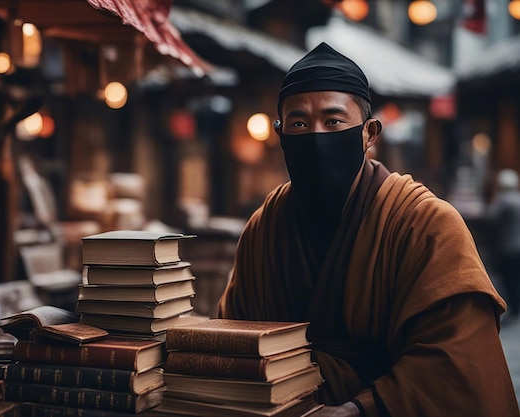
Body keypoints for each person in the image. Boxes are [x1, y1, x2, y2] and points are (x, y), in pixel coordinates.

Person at [217, 42, 519, 417]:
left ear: (368, 133)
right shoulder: (264, 229)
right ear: (280, 133)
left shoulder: (425, 224)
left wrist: (360, 409)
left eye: (333, 122)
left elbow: (457, 362)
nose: (315, 137)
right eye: (298, 124)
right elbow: (234, 339)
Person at [488, 168, 520, 324]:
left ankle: (513, 310)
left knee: (509, 280)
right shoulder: (518, 198)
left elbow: (491, 216)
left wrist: (495, 196)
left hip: (508, 247)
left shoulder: (504, 200)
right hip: (518, 246)